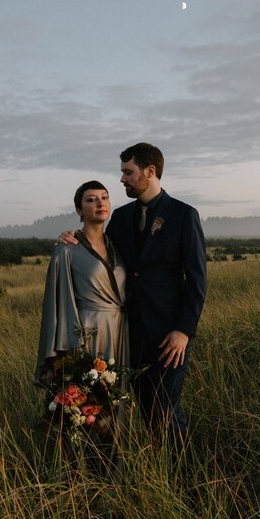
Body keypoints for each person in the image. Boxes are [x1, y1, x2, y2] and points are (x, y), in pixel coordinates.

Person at [62, 142, 206, 448]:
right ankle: (155, 477)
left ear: (149, 172)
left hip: (169, 338)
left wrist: (183, 331)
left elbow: (196, 280)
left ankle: (186, 483)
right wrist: (72, 236)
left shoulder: (183, 215)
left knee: (165, 412)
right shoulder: (122, 217)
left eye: (128, 172)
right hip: (128, 337)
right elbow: (101, 254)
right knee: (141, 413)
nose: (122, 179)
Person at [36, 179, 128, 400]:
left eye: (104, 197)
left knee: (116, 398)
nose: (100, 203)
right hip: (87, 333)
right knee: (87, 400)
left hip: (120, 330)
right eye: (91, 199)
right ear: (79, 210)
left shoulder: (119, 244)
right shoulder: (67, 248)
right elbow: (57, 302)